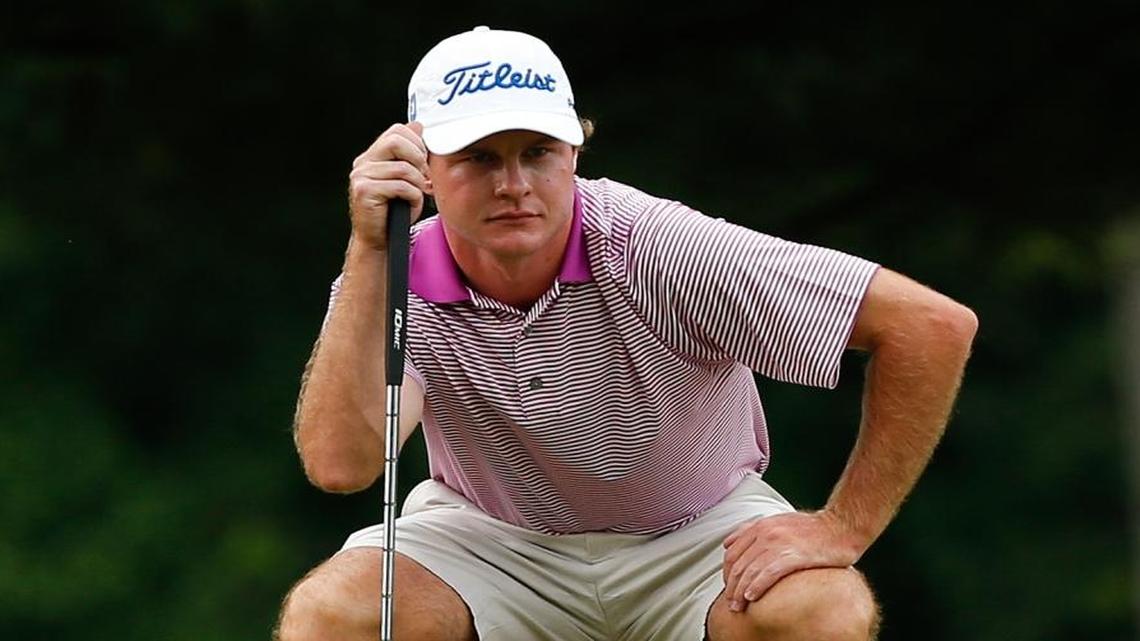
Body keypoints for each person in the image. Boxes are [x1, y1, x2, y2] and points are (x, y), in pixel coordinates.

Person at [275, 26, 977, 641]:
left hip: (695, 532)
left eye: (539, 152)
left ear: (576, 150)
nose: (515, 183)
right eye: (481, 158)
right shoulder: (390, 268)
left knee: (817, 610)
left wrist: (842, 526)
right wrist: (368, 253)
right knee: (336, 615)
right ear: (423, 167)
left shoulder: (652, 245)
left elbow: (929, 326)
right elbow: (341, 465)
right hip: (490, 539)